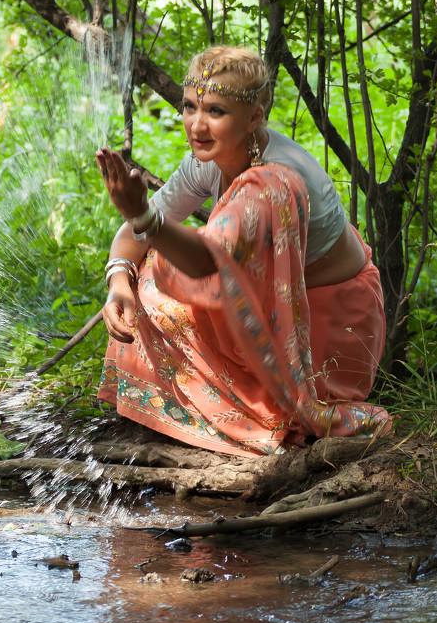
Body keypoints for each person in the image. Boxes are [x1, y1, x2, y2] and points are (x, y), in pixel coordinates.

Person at [95, 46, 391, 458]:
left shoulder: (276, 181)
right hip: (266, 313)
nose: (197, 125)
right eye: (190, 107)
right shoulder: (210, 157)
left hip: (329, 329)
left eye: (215, 111)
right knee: (140, 277)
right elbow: (136, 236)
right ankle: (220, 413)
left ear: (254, 117)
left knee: (160, 271)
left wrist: (142, 214)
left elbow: (203, 262)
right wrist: (116, 281)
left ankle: (263, 421)